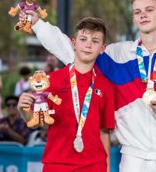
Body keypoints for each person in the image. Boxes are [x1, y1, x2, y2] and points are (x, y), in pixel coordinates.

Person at [20, 0, 156, 172]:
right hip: (133, 158)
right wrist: (37, 24)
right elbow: (69, 48)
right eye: (137, 12)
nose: (143, 15)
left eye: (149, 10)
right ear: (133, 19)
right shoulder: (117, 54)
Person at [18, 17, 115, 171]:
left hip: (94, 166)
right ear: (74, 43)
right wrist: (23, 110)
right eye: (83, 39)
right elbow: (38, 122)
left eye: (95, 41)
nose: (88, 45)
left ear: (103, 48)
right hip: (56, 164)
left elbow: (104, 132)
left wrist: (107, 168)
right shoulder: (51, 80)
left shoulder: (106, 86)